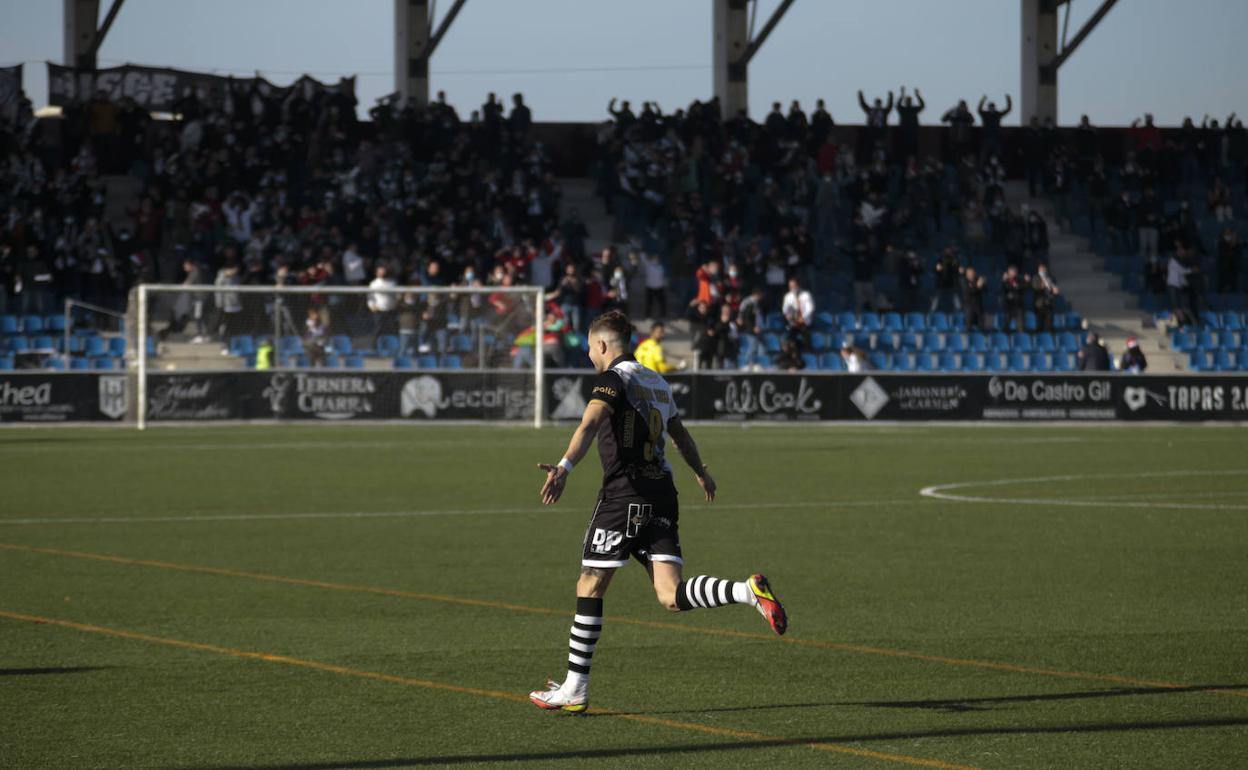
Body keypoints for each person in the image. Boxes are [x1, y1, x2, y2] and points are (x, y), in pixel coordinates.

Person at [529, 311, 786, 713]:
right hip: (662, 493)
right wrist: (701, 471)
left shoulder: (613, 379)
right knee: (669, 594)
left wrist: (564, 467)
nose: (591, 357)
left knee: (590, 585)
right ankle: (746, 592)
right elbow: (679, 434)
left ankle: (575, 688)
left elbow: (590, 422)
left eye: (591, 349)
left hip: (624, 496)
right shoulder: (656, 380)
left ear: (602, 345)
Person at [1031, 264, 1060, 332]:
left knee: (1049, 322)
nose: (1043, 271)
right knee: (1040, 322)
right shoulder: (1036, 277)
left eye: (1044, 269)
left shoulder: (1051, 277)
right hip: (1039, 303)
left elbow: (1054, 287)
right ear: (1038, 270)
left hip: (1049, 302)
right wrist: (1042, 286)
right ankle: (1040, 336)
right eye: (1041, 269)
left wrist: (1055, 290)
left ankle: (1049, 333)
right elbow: (1034, 288)